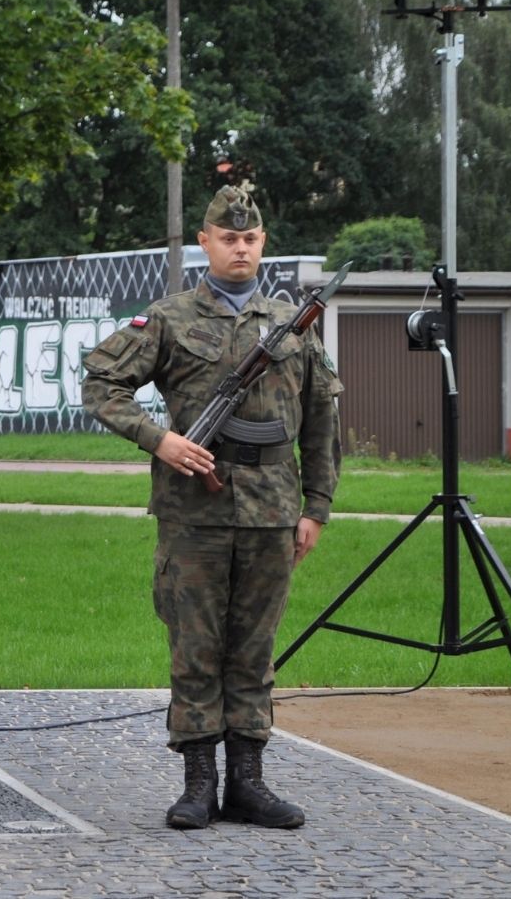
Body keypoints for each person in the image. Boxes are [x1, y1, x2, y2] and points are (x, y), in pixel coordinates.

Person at [81, 185, 342, 832]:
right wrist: (160, 438)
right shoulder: (169, 319)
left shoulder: (289, 326)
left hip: (272, 515)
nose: (240, 247)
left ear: (263, 244)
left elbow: (323, 423)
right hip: (194, 515)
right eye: (229, 238)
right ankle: (199, 785)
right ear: (205, 242)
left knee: (253, 652)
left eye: (250, 238)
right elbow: (99, 383)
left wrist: (317, 507)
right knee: (195, 650)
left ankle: (248, 785)